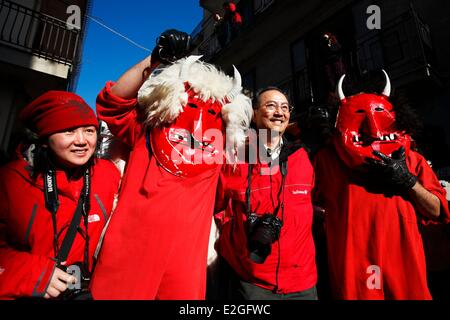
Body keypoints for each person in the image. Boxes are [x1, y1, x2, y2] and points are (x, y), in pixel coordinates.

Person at [89, 29, 252, 300]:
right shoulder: (149, 126)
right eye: (192, 106)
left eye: (212, 111)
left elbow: (228, 194)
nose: (200, 118)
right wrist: (154, 60)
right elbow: (112, 104)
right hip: (128, 257)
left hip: (185, 268)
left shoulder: (223, 150)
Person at [313, 71, 450, 299]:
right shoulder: (326, 160)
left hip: (405, 270)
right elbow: (304, 205)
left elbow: (438, 211)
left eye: (378, 112)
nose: (372, 126)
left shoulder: (412, 159)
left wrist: (409, 182)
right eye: (358, 114)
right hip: (355, 274)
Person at [0, 91, 121, 299]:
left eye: (89, 131)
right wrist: (34, 274)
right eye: (69, 131)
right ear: (45, 139)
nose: (82, 140)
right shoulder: (11, 179)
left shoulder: (108, 174)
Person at [214, 87, 318, 300]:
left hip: (303, 283)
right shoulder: (235, 159)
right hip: (251, 283)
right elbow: (215, 208)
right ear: (254, 113)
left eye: (285, 107)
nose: (280, 112)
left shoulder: (303, 157)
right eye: (271, 106)